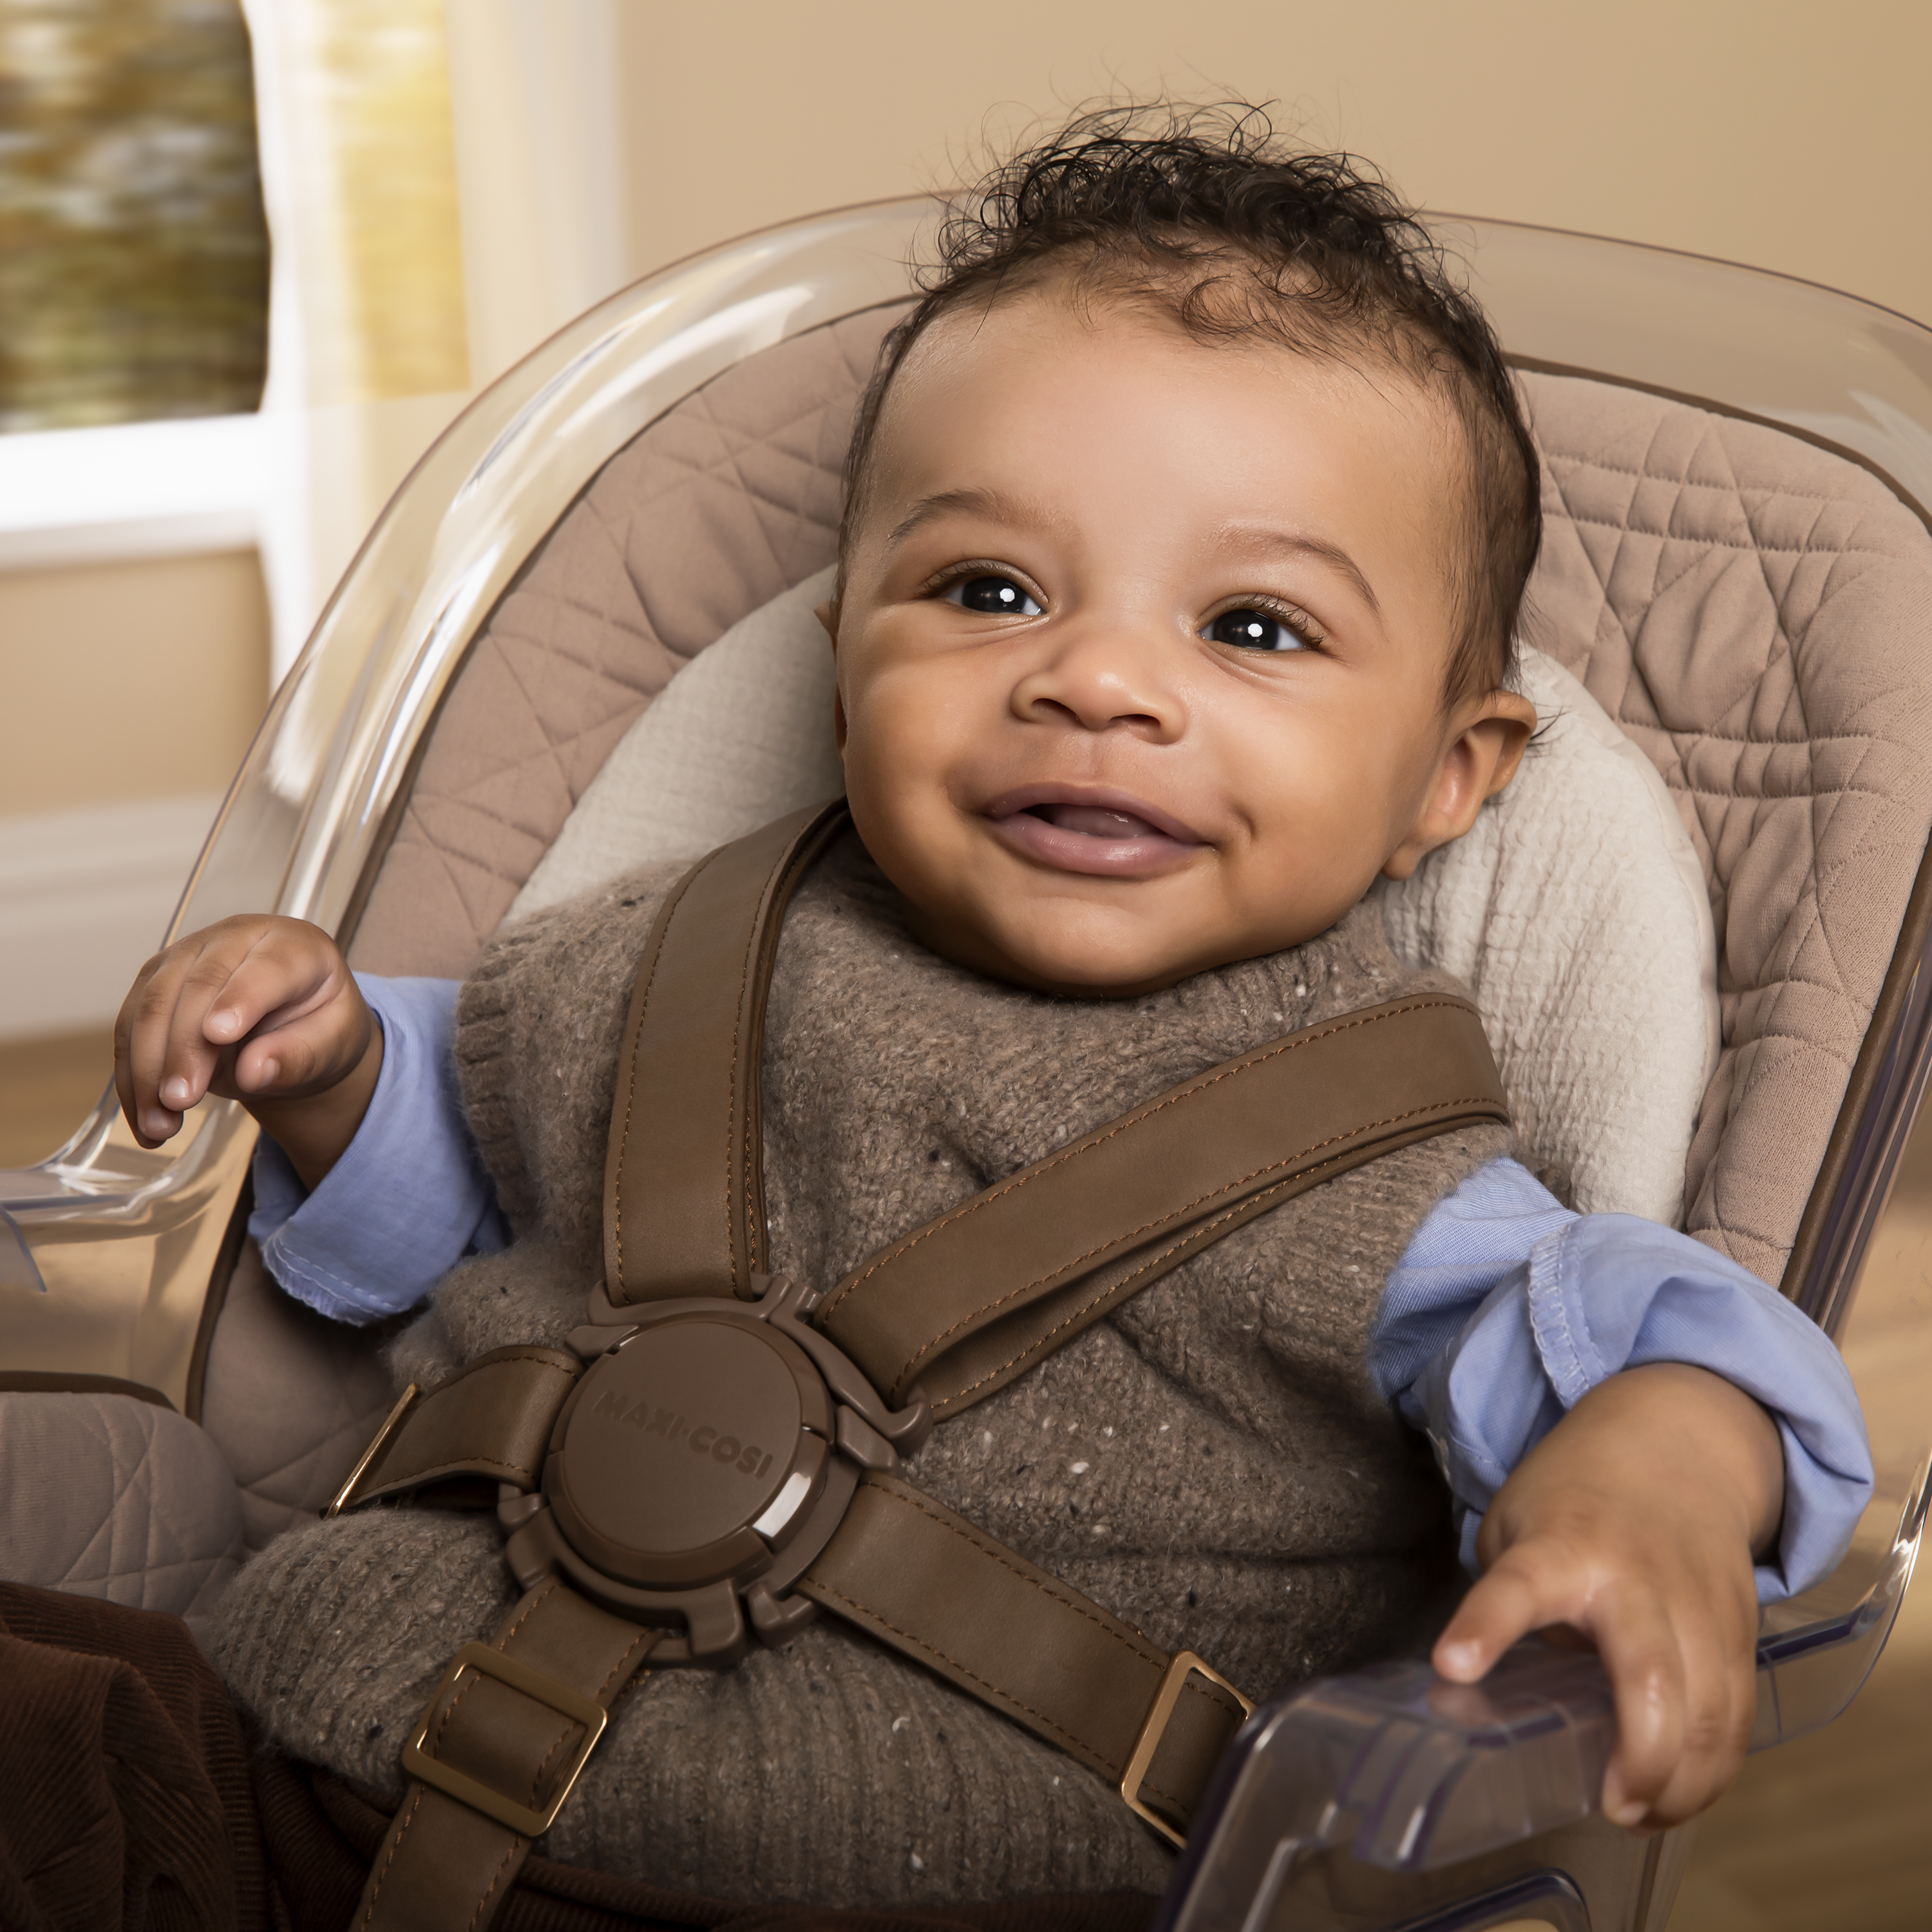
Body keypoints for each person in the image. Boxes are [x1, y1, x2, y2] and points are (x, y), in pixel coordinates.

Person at [109, 108, 1868, 1909]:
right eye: (987, 590)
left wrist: (1645, 1488)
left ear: (1451, 774)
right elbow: (481, 1184)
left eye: (1254, 629)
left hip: (893, 1879)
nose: (1096, 678)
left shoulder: (1376, 1171)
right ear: (844, 659)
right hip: (297, 1747)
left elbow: (1650, 1342)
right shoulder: (659, 953)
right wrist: (325, 1070)